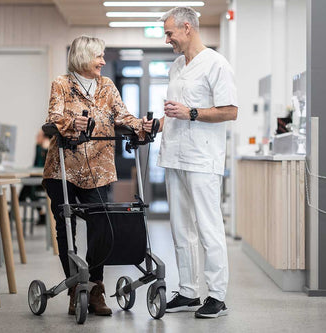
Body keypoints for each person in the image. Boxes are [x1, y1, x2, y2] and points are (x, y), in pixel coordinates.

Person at [42, 35, 153, 316]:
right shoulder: (61, 84)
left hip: (99, 170)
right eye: (98, 56)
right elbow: (53, 119)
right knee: (64, 226)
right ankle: (74, 288)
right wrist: (71, 122)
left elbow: (124, 117)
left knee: (102, 223)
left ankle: (95, 287)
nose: (103, 61)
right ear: (82, 58)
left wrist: (143, 125)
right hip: (63, 168)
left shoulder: (107, 86)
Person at [157, 7, 238, 318]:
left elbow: (230, 111)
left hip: (203, 158)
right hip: (174, 154)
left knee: (208, 228)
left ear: (187, 28)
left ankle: (217, 296)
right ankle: (189, 291)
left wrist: (191, 112)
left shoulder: (217, 64)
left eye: (170, 33)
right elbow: (174, 111)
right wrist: (158, 124)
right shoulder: (177, 66)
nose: (168, 39)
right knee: (180, 228)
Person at [19, 130, 49, 225]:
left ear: (45, 137)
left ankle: (17, 203)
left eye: (39, 135)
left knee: (28, 187)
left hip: (44, 181)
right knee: (28, 186)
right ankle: (41, 214)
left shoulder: (48, 148)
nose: (37, 137)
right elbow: (36, 164)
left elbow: (44, 166)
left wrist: (44, 150)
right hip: (35, 178)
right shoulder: (37, 147)